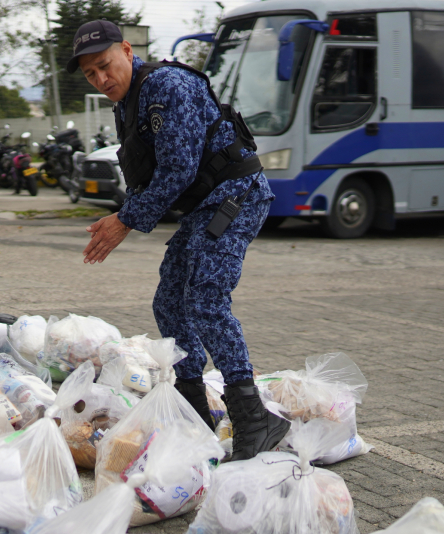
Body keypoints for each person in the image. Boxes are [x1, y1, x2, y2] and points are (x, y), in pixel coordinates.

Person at [70, 20, 288, 461]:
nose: (101, 79)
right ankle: (193, 414)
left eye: (105, 66)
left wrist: (124, 222)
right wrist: (124, 215)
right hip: (205, 206)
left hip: (236, 196)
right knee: (169, 302)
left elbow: (178, 169)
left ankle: (254, 417)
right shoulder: (127, 102)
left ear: (127, 51)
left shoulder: (169, 86)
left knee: (206, 298)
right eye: (91, 74)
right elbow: (145, 172)